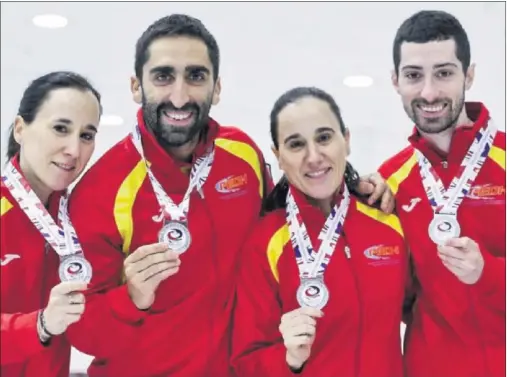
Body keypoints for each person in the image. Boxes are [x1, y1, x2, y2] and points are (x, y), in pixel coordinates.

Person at [65, 14, 393, 377]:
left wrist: (355, 186)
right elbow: (82, 331)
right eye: (163, 76)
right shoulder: (100, 192)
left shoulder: (241, 154)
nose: (180, 95)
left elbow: (290, 222)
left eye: (196, 75)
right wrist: (130, 300)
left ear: (216, 87)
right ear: (135, 86)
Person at [231, 87, 409, 377]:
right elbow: (245, 361)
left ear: (346, 140)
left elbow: (425, 308)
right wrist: (288, 360)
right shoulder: (265, 242)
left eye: (324, 138)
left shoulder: (387, 220)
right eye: (296, 144)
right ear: (278, 155)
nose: (314, 157)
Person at [378, 10, 506, 377]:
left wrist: (489, 273)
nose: (429, 92)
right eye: (414, 76)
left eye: (444, 73)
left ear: (469, 75)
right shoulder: (391, 181)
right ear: (395, 80)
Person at [1, 71, 102, 377]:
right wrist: (40, 326)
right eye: (60, 128)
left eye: (86, 135)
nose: (74, 150)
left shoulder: (80, 219)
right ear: (21, 129)